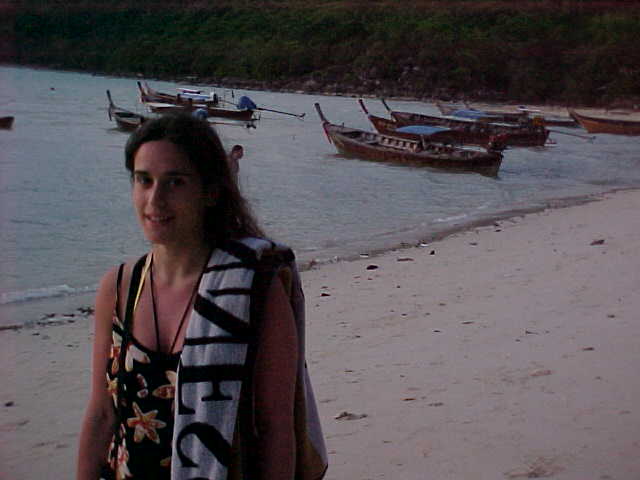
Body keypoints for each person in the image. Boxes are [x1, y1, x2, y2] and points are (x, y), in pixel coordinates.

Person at [77, 113, 327, 480]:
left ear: (210, 192)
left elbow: (275, 427)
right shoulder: (118, 288)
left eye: (174, 182)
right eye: (143, 180)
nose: (155, 199)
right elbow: (102, 414)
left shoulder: (252, 288)